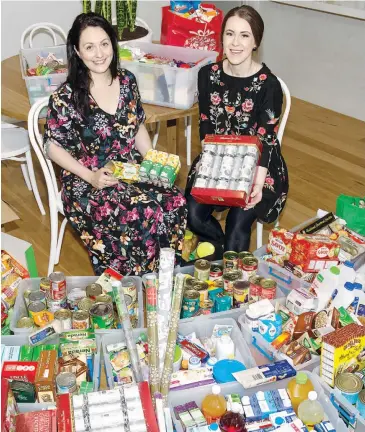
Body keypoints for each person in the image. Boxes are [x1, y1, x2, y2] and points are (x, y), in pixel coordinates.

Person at [43, 13, 187, 275]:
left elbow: (137, 126)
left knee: (174, 199)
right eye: (89, 47)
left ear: (113, 44)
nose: (99, 54)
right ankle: (132, 280)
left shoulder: (128, 81)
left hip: (128, 167)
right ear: (77, 51)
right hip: (88, 179)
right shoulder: (66, 96)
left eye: (104, 43)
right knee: (143, 211)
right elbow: (52, 145)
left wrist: (153, 159)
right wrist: (90, 177)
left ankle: (165, 273)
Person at [185, 5, 289, 257]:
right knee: (191, 214)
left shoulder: (269, 85)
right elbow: (206, 124)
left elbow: (266, 139)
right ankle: (219, 252)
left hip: (259, 166)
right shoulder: (206, 75)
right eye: (230, 34)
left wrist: (256, 182)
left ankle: (230, 278)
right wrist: (210, 168)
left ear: (256, 42)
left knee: (237, 225)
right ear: (221, 37)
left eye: (244, 35)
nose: (235, 43)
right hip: (217, 157)